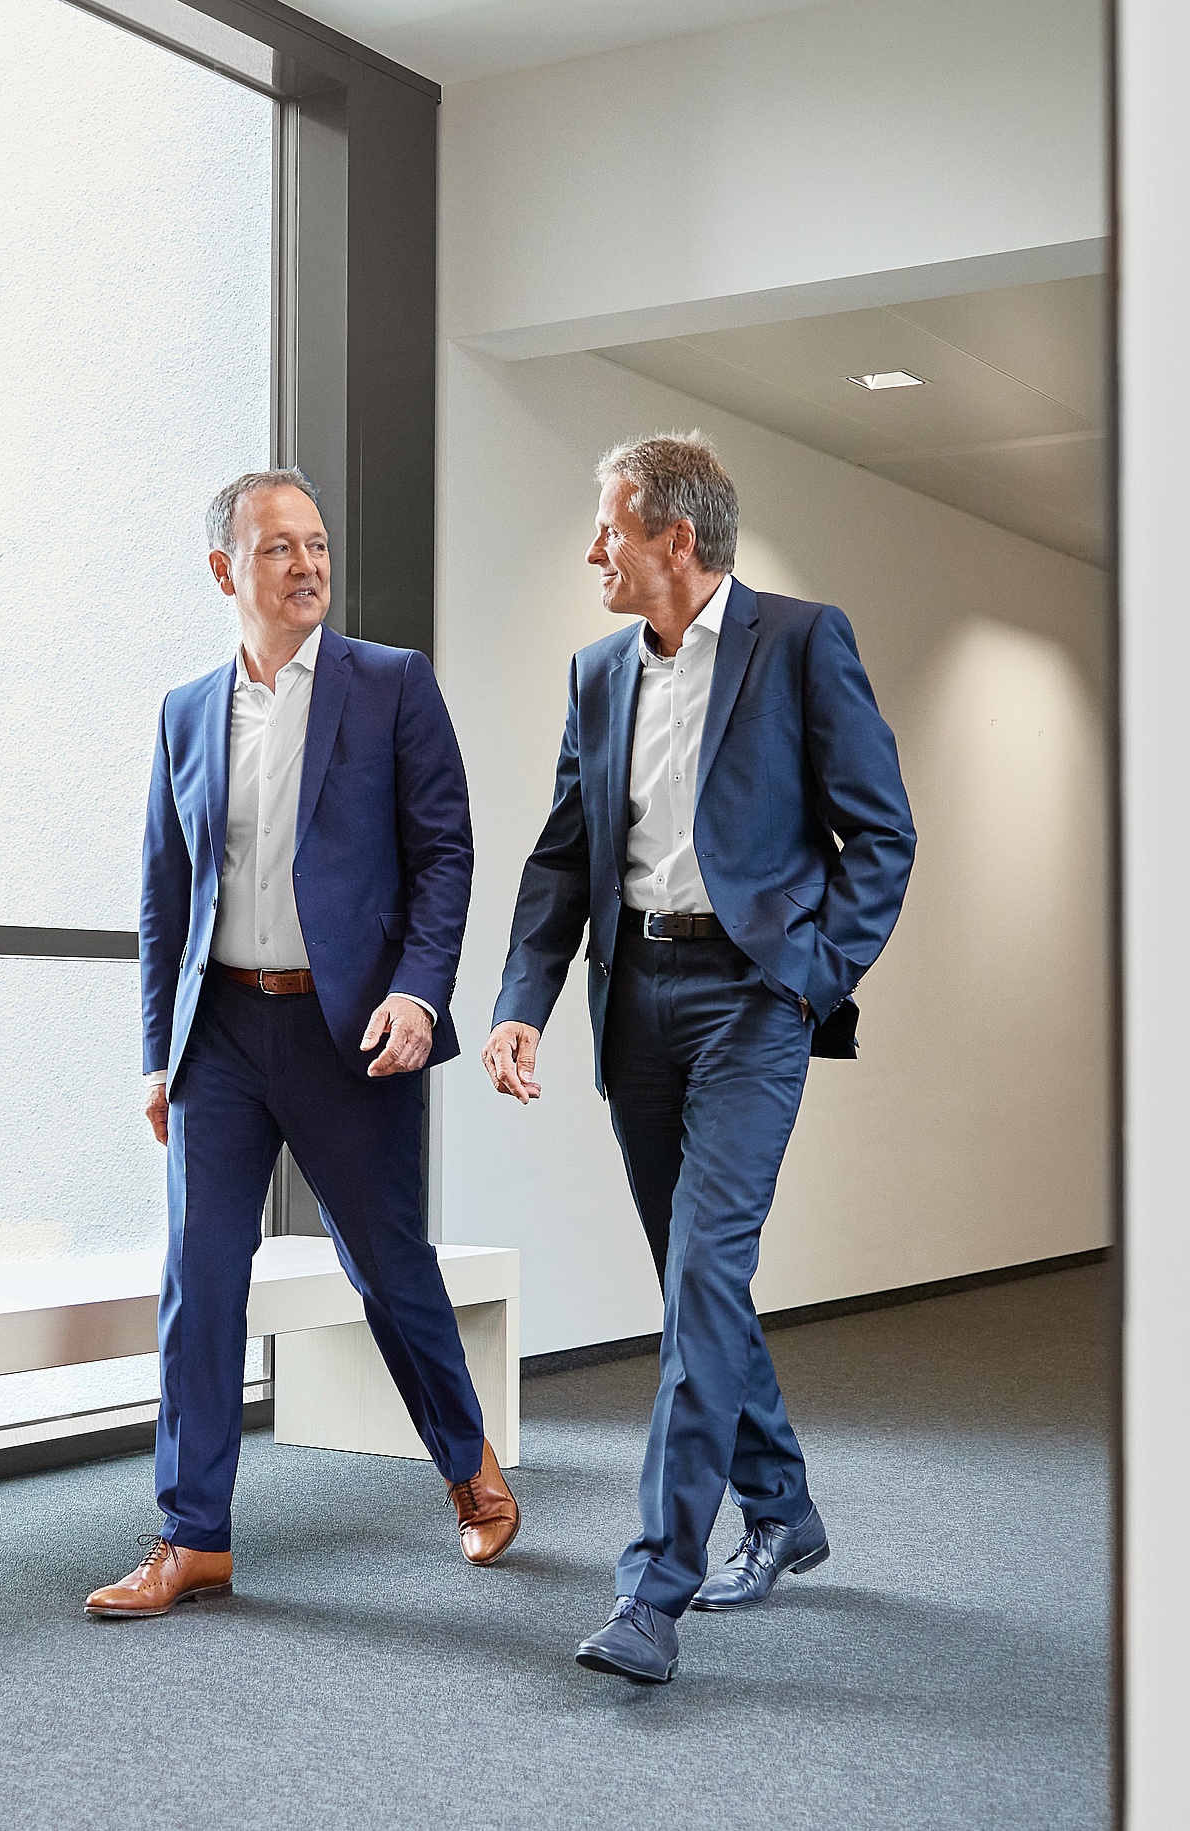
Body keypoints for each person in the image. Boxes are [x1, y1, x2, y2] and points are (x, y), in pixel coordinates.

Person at [483, 434, 915, 1683]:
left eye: (607, 528)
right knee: (695, 1285)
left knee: (705, 1273)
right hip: (637, 1003)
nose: (591, 550)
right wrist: (525, 1002)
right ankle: (781, 1503)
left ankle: (651, 1590)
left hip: (747, 1001)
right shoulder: (596, 672)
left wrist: (809, 977)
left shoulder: (798, 642)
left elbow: (879, 832)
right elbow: (564, 853)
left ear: (677, 537)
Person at [88, 468, 519, 1619]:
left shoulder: (390, 685)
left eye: (317, 544)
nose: (308, 566)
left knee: (387, 1268)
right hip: (221, 1032)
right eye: (279, 549)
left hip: (351, 1035)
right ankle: (194, 1537)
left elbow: (445, 858)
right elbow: (162, 895)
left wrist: (420, 996)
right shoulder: (186, 712)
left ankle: (469, 1468)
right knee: (198, 1280)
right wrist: (155, 1056)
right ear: (226, 570)